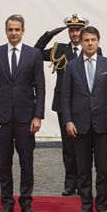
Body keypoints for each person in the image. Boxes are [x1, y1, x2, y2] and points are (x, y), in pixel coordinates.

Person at [0, 14, 45, 212]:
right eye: (10, 29)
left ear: (23, 30)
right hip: (2, 119)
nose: (14, 33)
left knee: (27, 162)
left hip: (26, 118)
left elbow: (40, 87)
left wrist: (38, 116)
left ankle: (26, 203)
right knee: (4, 162)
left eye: (17, 29)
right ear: (6, 30)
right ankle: (7, 203)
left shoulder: (33, 55)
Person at [62, 26, 107, 212]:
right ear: (81, 42)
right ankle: (86, 206)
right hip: (80, 126)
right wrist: (68, 121)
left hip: (104, 126)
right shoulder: (71, 66)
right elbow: (66, 97)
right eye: (86, 40)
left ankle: (102, 207)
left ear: (98, 41)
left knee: (103, 169)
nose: (89, 43)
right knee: (83, 170)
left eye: (93, 40)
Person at [34, 14, 90, 196]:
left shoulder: (91, 49)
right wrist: (49, 34)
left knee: (83, 145)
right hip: (64, 103)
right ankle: (69, 182)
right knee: (68, 146)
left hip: (83, 104)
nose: (75, 33)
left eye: (78, 29)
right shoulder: (59, 50)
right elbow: (35, 53)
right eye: (72, 29)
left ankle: (83, 184)